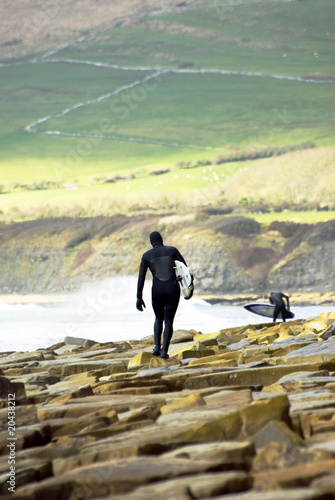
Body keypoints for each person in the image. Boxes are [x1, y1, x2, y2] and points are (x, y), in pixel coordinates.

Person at [136, 231, 189, 359]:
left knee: (158, 318)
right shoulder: (172, 250)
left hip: (157, 290)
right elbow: (185, 270)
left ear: (151, 242)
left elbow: (141, 278)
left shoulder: (146, 255)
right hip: (172, 288)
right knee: (169, 320)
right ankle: (164, 351)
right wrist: (186, 288)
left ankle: (156, 347)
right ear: (161, 239)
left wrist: (139, 297)